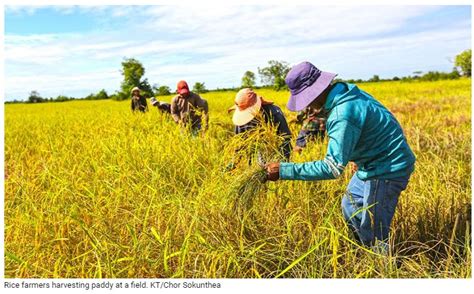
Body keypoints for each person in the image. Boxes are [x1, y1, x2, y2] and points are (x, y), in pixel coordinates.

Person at [265, 61, 416, 252]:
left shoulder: (342, 113)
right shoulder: (346, 90)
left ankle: (382, 266)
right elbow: (375, 123)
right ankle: (364, 250)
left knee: (374, 226)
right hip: (370, 163)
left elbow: (332, 167)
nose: (308, 105)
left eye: (307, 99)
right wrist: (358, 155)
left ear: (316, 92)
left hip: (386, 168)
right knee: (350, 207)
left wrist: (283, 170)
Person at [228, 88, 292, 165]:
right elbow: (239, 143)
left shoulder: (274, 112)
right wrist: (233, 162)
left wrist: (280, 165)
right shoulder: (242, 120)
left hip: (277, 154)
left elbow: (285, 138)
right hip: (256, 156)